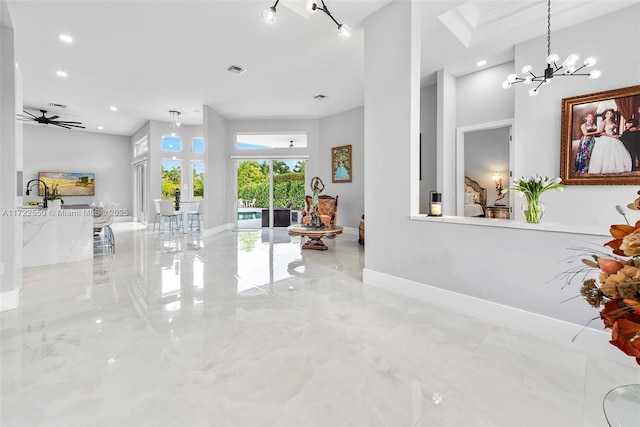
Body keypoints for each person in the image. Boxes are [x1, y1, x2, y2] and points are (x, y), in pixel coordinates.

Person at [587, 108, 632, 174]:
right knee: (605, 154)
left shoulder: (613, 122)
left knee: (616, 153)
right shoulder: (603, 122)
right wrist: (612, 136)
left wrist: (615, 135)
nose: (609, 114)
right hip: (605, 138)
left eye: (611, 113)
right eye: (608, 113)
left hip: (613, 137)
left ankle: (617, 167)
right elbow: (601, 132)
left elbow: (611, 130)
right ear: (605, 115)